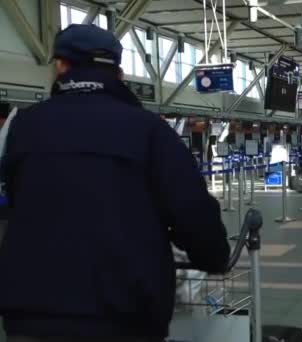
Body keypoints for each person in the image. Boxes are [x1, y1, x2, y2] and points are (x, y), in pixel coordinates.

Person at [0, 24, 230, 341]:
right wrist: (214, 257)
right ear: (119, 73)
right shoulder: (149, 130)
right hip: (123, 314)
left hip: (32, 313)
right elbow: (190, 209)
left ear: (60, 66)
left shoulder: (23, 127)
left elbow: (15, 198)